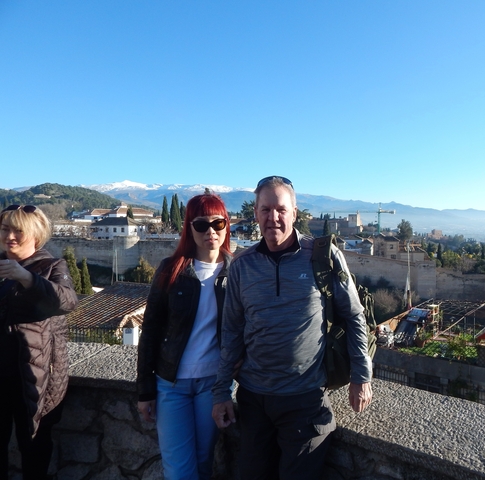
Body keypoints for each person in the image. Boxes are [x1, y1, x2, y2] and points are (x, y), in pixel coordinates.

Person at [212, 176, 373, 480]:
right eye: (265, 209)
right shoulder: (242, 266)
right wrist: (221, 391)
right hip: (253, 399)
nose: (273, 218)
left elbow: (354, 315)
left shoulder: (321, 257)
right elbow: (231, 330)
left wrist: (361, 376)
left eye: (281, 210)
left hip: (305, 399)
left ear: (294, 213)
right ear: (256, 213)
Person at [137, 192, 232, 480]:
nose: (211, 232)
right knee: (179, 471)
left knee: (204, 463)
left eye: (218, 223)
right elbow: (150, 330)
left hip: (212, 385)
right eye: (201, 225)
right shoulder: (172, 269)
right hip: (171, 384)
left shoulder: (237, 272)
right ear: (189, 228)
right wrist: (145, 391)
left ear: (227, 225)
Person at [0, 205, 78, 480]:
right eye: (5, 229)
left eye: (18, 230)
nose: (10, 236)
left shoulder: (52, 266)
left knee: (33, 450)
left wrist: (26, 278)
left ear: (36, 234)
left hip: (36, 379)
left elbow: (67, 302)